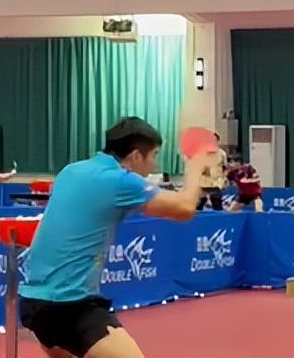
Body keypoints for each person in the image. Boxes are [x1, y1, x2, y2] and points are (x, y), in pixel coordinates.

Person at [18, 117, 210, 358]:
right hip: (69, 306)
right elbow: (185, 208)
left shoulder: (71, 171)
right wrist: (196, 165)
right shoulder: (120, 180)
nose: (155, 164)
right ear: (136, 156)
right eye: (154, 155)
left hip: (33, 303)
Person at [196, 132, 228, 211]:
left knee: (217, 206)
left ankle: (219, 218)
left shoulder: (222, 154)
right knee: (198, 206)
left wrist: (223, 180)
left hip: (216, 183)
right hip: (203, 183)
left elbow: (225, 168)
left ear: (218, 141)